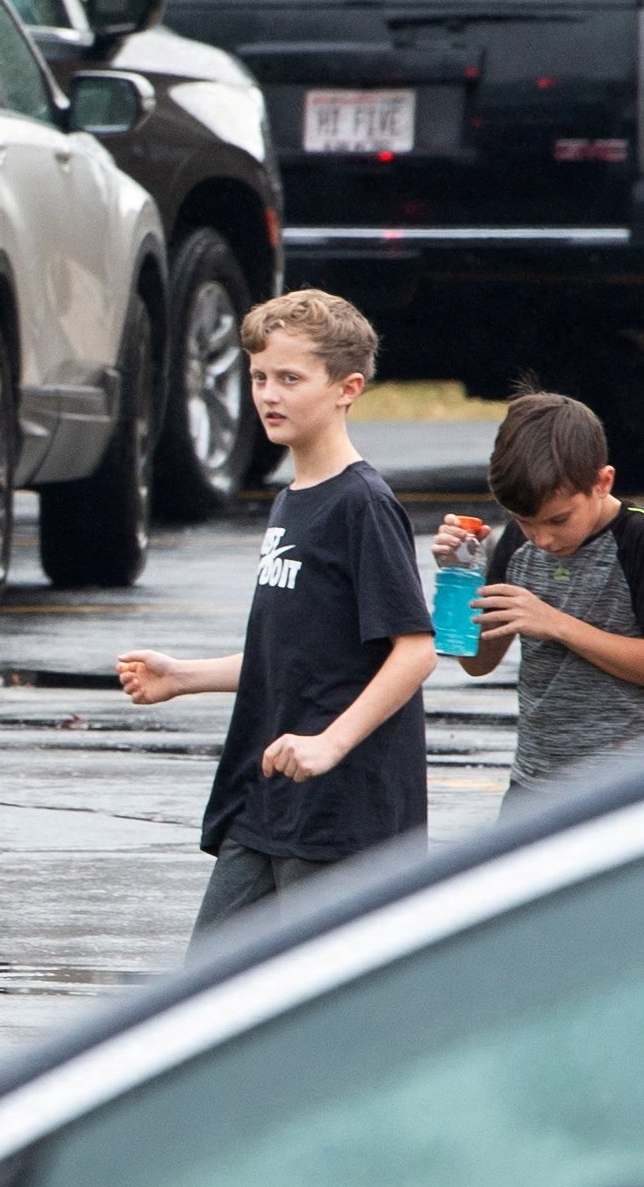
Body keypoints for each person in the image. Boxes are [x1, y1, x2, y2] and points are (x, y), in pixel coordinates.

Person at [116, 288, 437, 941]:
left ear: (346, 388)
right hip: (266, 796)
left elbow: (414, 650)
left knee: (321, 1011)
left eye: (289, 378)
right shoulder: (292, 499)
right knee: (211, 983)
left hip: (340, 811)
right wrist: (183, 677)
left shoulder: (361, 505)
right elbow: (297, 653)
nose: (268, 393)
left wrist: (329, 744)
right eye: (259, 377)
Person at [442, 388, 644, 793]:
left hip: (625, 786)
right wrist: (459, 579)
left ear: (602, 482)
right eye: (526, 521)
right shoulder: (518, 542)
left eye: (559, 520)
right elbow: (477, 662)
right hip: (533, 781)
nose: (542, 539)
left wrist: (557, 625)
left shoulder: (642, 535)